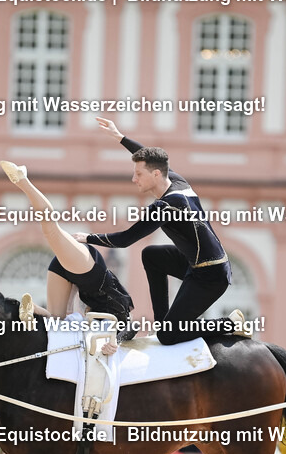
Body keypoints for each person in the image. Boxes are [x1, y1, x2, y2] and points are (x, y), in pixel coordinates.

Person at [71, 117, 249, 345]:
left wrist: (87, 237)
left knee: (169, 336)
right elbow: (147, 154)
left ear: (155, 175)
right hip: (196, 263)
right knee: (152, 255)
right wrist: (120, 137)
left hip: (210, 276)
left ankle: (230, 323)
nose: (133, 178)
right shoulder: (177, 181)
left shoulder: (166, 206)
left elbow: (126, 239)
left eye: (139, 174)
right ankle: (162, 321)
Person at [0, 159, 134, 350]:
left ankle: (34, 309)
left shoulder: (93, 322)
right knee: (51, 231)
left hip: (75, 274)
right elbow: (132, 328)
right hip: (91, 271)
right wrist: (117, 343)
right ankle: (23, 180)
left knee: (58, 320)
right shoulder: (123, 317)